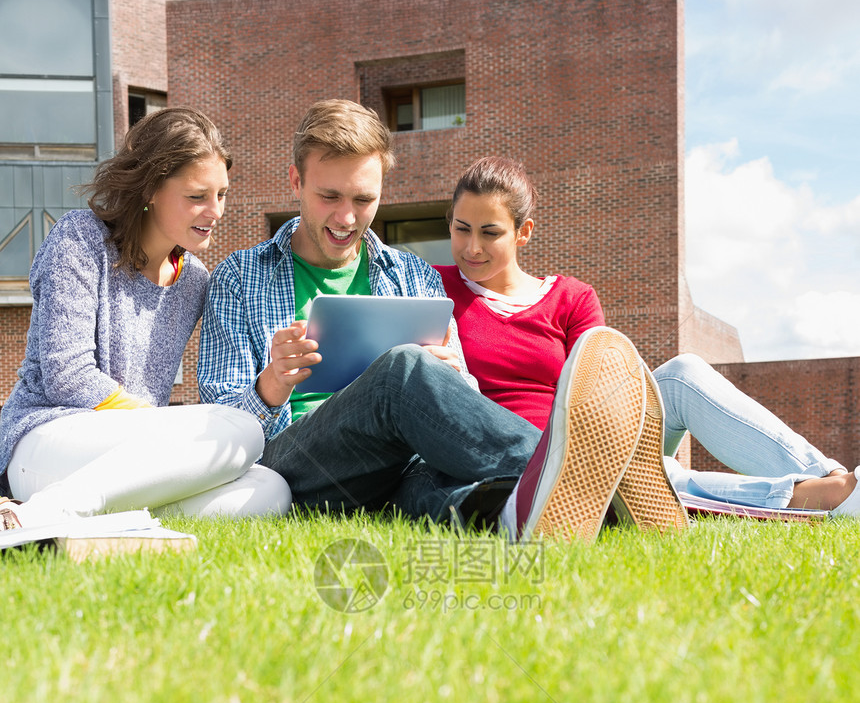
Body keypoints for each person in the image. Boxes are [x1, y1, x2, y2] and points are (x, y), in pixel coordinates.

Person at [197, 98, 681, 542]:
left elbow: (462, 401)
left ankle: (533, 510)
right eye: (330, 196)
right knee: (401, 371)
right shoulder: (239, 279)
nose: (346, 217)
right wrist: (272, 385)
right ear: (296, 183)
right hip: (300, 467)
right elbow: (219, 432)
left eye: (364, 200)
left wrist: (453, 376)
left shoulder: (412, 275)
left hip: (400, 468)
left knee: (448, 497)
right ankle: (581, 472)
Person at [435, 156, 860, 521]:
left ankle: (833, 480)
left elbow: (599, 391)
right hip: (517, 452)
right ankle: (817, 497)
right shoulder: (432, 287)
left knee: (682, 372)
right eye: (461, 229)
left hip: (588, 433)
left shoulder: (571, 297)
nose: (472, 247)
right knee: (636, 469)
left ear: (522, 233)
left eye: (490, 232)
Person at [0, 107, 290, 534]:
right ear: (151, 189)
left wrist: (161, 437)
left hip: (129, 452)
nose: (215, 211)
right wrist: (161, 427)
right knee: (242, 430)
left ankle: (78, 516)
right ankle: (38, 514)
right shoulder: (80, 238)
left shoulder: (193, 280)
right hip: (44, 438)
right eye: (197, 196)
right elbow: (68, 377)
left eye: (222, 195)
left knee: (269, 489)